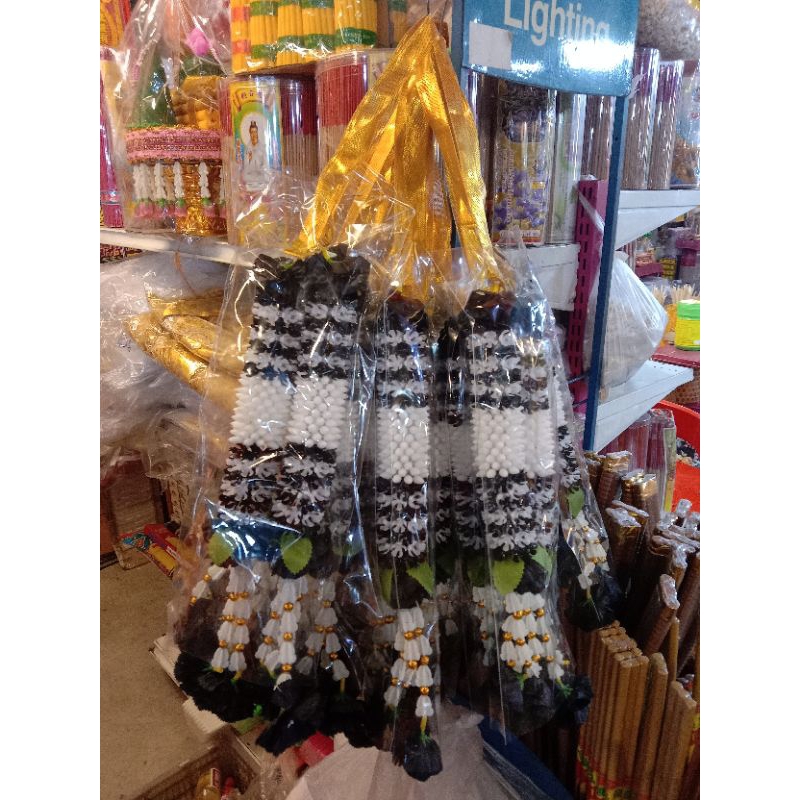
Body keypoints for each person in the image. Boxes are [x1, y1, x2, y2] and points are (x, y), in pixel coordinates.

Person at [242, 119, 269, 191]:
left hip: (260, 174)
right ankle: (251, 186)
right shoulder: (247, 148)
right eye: (252, 132)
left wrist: (261, 169)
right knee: (245, 177)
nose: (254, 134)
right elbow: (245, 166)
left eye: (255, 132)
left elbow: (265, 164)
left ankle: (260, 185)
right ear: (250, 133)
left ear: (257, 132)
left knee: (265, 176)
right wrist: (249, 159)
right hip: (250, 175)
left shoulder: (262, 147)